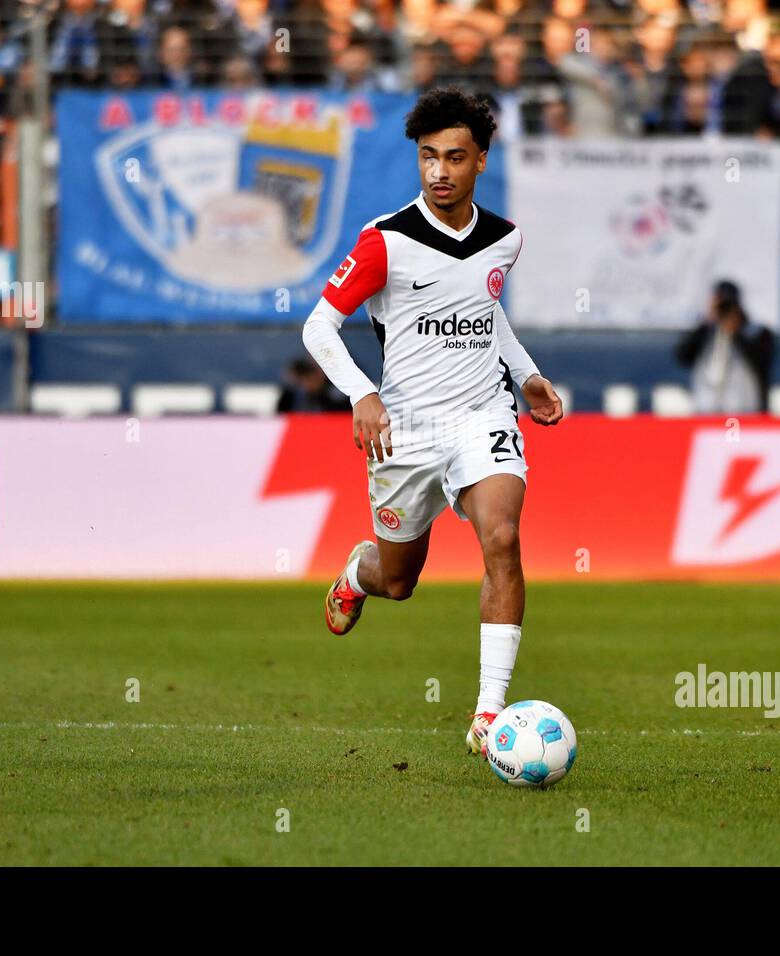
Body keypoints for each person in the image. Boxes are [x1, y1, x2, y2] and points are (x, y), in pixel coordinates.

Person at [301, 87, 564, 758]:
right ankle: (359, 574)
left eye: (454, 157)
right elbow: (319, 326)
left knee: (502, 538)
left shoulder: (506, 240)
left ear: (480, 159)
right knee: (400, 581)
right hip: (405, 431)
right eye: (427, 157)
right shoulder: (385, 242)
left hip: (483, 416)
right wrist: (362, 394)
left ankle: (487, 715)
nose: (439, 172)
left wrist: (525, 375)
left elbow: (487, 314)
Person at [674, 280, 775, 414]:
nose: (724, 309)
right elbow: (682, 356)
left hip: (745, 409)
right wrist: (707, 322)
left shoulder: (755, 332)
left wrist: (736, 331)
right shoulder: (706, 332)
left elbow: (762, 361)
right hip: (706, 407)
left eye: (729, 304)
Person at [276, 357, 351, 412]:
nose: (307, 384)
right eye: (304, 380)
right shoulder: (292, 395)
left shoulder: (336, 395)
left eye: (310, 379)